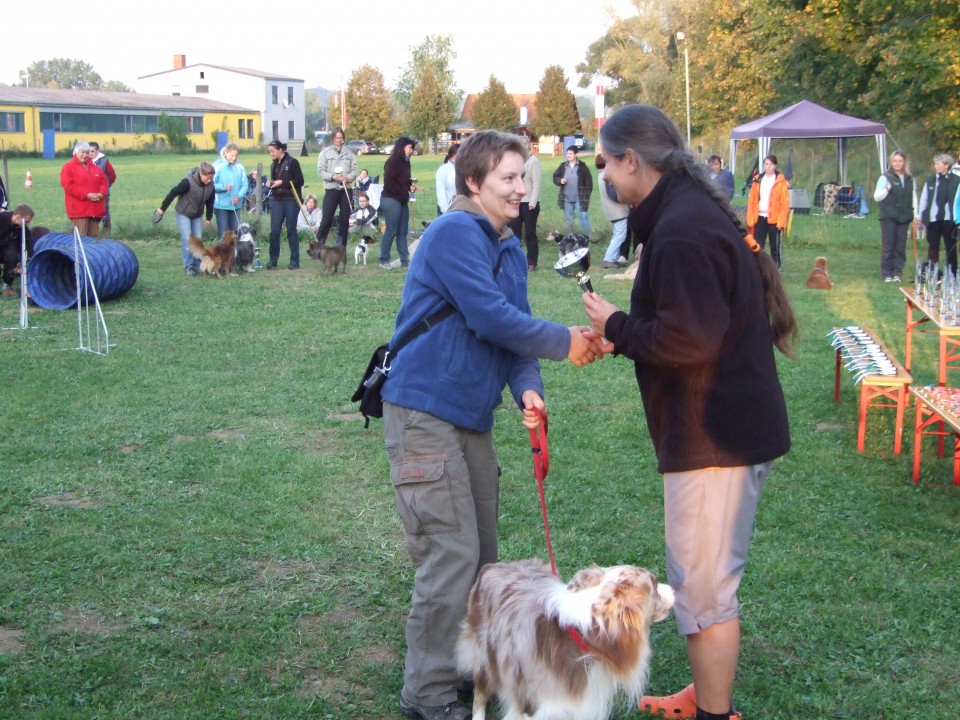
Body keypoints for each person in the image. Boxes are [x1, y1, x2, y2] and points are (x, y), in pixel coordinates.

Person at [380, 129, 606, 720]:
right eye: (507, 177)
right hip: (424, 413)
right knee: (451, 556)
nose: (521, 186)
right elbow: (487, 315)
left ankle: (464, 671)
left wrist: (529, 384)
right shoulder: (455, 231)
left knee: (482, 558)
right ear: (473, 182)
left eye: (524, 175)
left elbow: (513, 329)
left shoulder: (506, 245)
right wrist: (566, 342)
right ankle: (426, 696)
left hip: (470, 419)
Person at [582, 104, 796, 720]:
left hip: (714, 439)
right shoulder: (682, 214)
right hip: (717, 431)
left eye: (608, 165)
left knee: (703, 593)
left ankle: (713, 713)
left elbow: (691, 340)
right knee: (702, 584)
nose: (608, 180)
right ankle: (707, 696)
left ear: (633, 161)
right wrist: (627, 328)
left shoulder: (680, 228)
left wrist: (618, 326)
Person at [156, 162, 215, 276]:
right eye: (208, 178)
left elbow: (210, 201)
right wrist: (162, 209)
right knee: (187, 239)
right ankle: (189, 266)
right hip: (183, 213)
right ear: (201, 174)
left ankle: (198, 265)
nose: (209, 181)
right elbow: (173, 193)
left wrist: (208, 217)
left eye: (211, 178)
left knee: (197, 239)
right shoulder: (188, 182)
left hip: (197, 214)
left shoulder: (211, 185)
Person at [874, 150, 916, 283]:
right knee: (889, 245)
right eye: (895, 161)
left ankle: (897, 272)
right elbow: (876, 197)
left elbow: (913, 197)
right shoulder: (885, 178)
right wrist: (887, 189)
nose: (897, 164)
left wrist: (916, 215)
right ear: (891, 162)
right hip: (889, 217)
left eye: (900, 161)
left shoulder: (910, 179)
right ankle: (887, 273)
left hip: (904, 217)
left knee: (900, 245)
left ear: (904, 162)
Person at [315, 127, 358, 247]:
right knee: (327, 219)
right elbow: (320, 171)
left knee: (344, 220)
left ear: (343, 139)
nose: (338, 140)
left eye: (341, 138)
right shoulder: (325, 153)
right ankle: (318, 246)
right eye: (336, 138)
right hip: (331, 190)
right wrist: (332, 176)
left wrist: (347, 178)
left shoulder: (349, 154)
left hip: (346, 190)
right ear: (333, 138)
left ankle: (341, 247)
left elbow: (354, 170)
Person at [745, 154, 790, 269]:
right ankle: (758, 268)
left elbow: (785, 203)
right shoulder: (758, 180)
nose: (768, 167)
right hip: (760, 217)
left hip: (774, 219)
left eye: (771, 164)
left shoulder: (781, 181)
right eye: (766, 164)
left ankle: (776, 268)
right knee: (757, 245)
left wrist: (781, 221)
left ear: (775, 166)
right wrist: (750, 218)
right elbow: (752, 201)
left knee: (775, 246)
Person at [266, 140, 305, 270]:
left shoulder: (293, 162)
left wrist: (282, 182)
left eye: (272, 151)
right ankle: (273, 260)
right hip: (277, 200)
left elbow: (300, 181)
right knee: (274, 231)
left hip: (291, 199)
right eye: (270, 152)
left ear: (280, 150)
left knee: (291, 230)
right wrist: (271, 184)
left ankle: (295, 260)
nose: (271, 154)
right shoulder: (274, 165)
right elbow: (276, 181)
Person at [917, 153, 960, 272]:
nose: (935, 166)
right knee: (933, 246)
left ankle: (952, 273)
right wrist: (920, 217)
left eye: (938, 164)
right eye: (935, 164)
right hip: (933, 219)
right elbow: (924, 198)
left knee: (950, 247)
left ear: (946, 165)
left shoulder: (956, 180)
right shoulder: (931, 180)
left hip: (949, 219)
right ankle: (932, 271)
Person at [379, 137, 417, 269]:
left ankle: (404, 260)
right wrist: (402, 191)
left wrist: (409, 187)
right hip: (391, 199)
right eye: (410, 148)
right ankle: (384, 260)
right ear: (402, 147)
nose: (412, 151)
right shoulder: (393, 162)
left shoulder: (406, 162)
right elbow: (390, 183)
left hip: (402, 199)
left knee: (403, 230)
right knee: (391, 230)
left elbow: (404, 181)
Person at [506, 136, 542, 270]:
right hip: (515, 201)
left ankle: (531, 261)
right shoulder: (515, 162)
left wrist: (533, 201)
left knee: (530, 233)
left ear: (527, 146)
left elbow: (537, 183)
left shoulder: (533, 161)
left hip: (529, 203)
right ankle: (516, 259)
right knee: (514, 232)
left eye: (522, 145)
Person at [60, 141, 108, 238]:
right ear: (76, 152)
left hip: (95, 211)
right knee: (80, 241)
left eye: (87, 152)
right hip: (79, 212)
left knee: (94, 241)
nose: (85, 155)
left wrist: (101, 194)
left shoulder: (95, 168)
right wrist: (87, 195)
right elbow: (69, 187)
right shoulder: (68, 168)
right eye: (82, 152)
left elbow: (104, 183)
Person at [596, 153, 633, 268]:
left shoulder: (601, 176)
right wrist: (626, 201)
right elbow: (614, 195)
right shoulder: (606, 177)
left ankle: (614, 257)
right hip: (618, 211)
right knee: (620, 236)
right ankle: (609, 258)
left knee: (618, 234)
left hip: (612, 212)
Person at [552, 144, 593, 238]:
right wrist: (560, 181)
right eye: (567, 153)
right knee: (569, 219)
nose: (569, 155)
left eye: (571, 153)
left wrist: (586, 196)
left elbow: (589, 183)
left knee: (583, 217)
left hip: (580, 199)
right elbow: (555, 177)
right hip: (567, 199)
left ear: (575, 155)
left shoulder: (582, 167)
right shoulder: (563, 166)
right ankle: (570, 237)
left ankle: (589, 236)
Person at [212, 143, 249, 240]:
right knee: (223, 233)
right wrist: (224, 187)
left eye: (236, 155)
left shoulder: (240, 168)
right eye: (232, 155)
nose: (234, 158)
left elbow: (245, 185)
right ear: (226, 153)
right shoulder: (217, 166)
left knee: (235, 234)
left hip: (235, 206)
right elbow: (211, 184)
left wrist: (239, 196)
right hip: (221, 205)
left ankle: (234, 254)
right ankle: (221, 254)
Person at [0, 203, 35, 294]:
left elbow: (28, 246)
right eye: (27, 222)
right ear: (18, 217)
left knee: (12, 255)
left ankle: (7, 283)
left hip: (6, 253)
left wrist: (28, 260)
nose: (28, 224)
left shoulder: (22, 228)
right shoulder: (2, 219)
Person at [88, 142, 117, 232]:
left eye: (92, 151)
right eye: (89, 151)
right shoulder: (86, 161)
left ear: (97, 151)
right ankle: (93, 230)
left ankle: (107, 231)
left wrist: (107, 186)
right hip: (90, 192)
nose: (90, 154)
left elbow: (112, 175)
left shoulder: (104, 161)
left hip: (102, 192)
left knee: (104, 210)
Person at [435, 143, 459, 216]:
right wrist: (445, 211)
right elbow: (440, 191)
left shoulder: (462, 168)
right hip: (447, 210)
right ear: (456, 154)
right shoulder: (443, 170)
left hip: (459, 208)